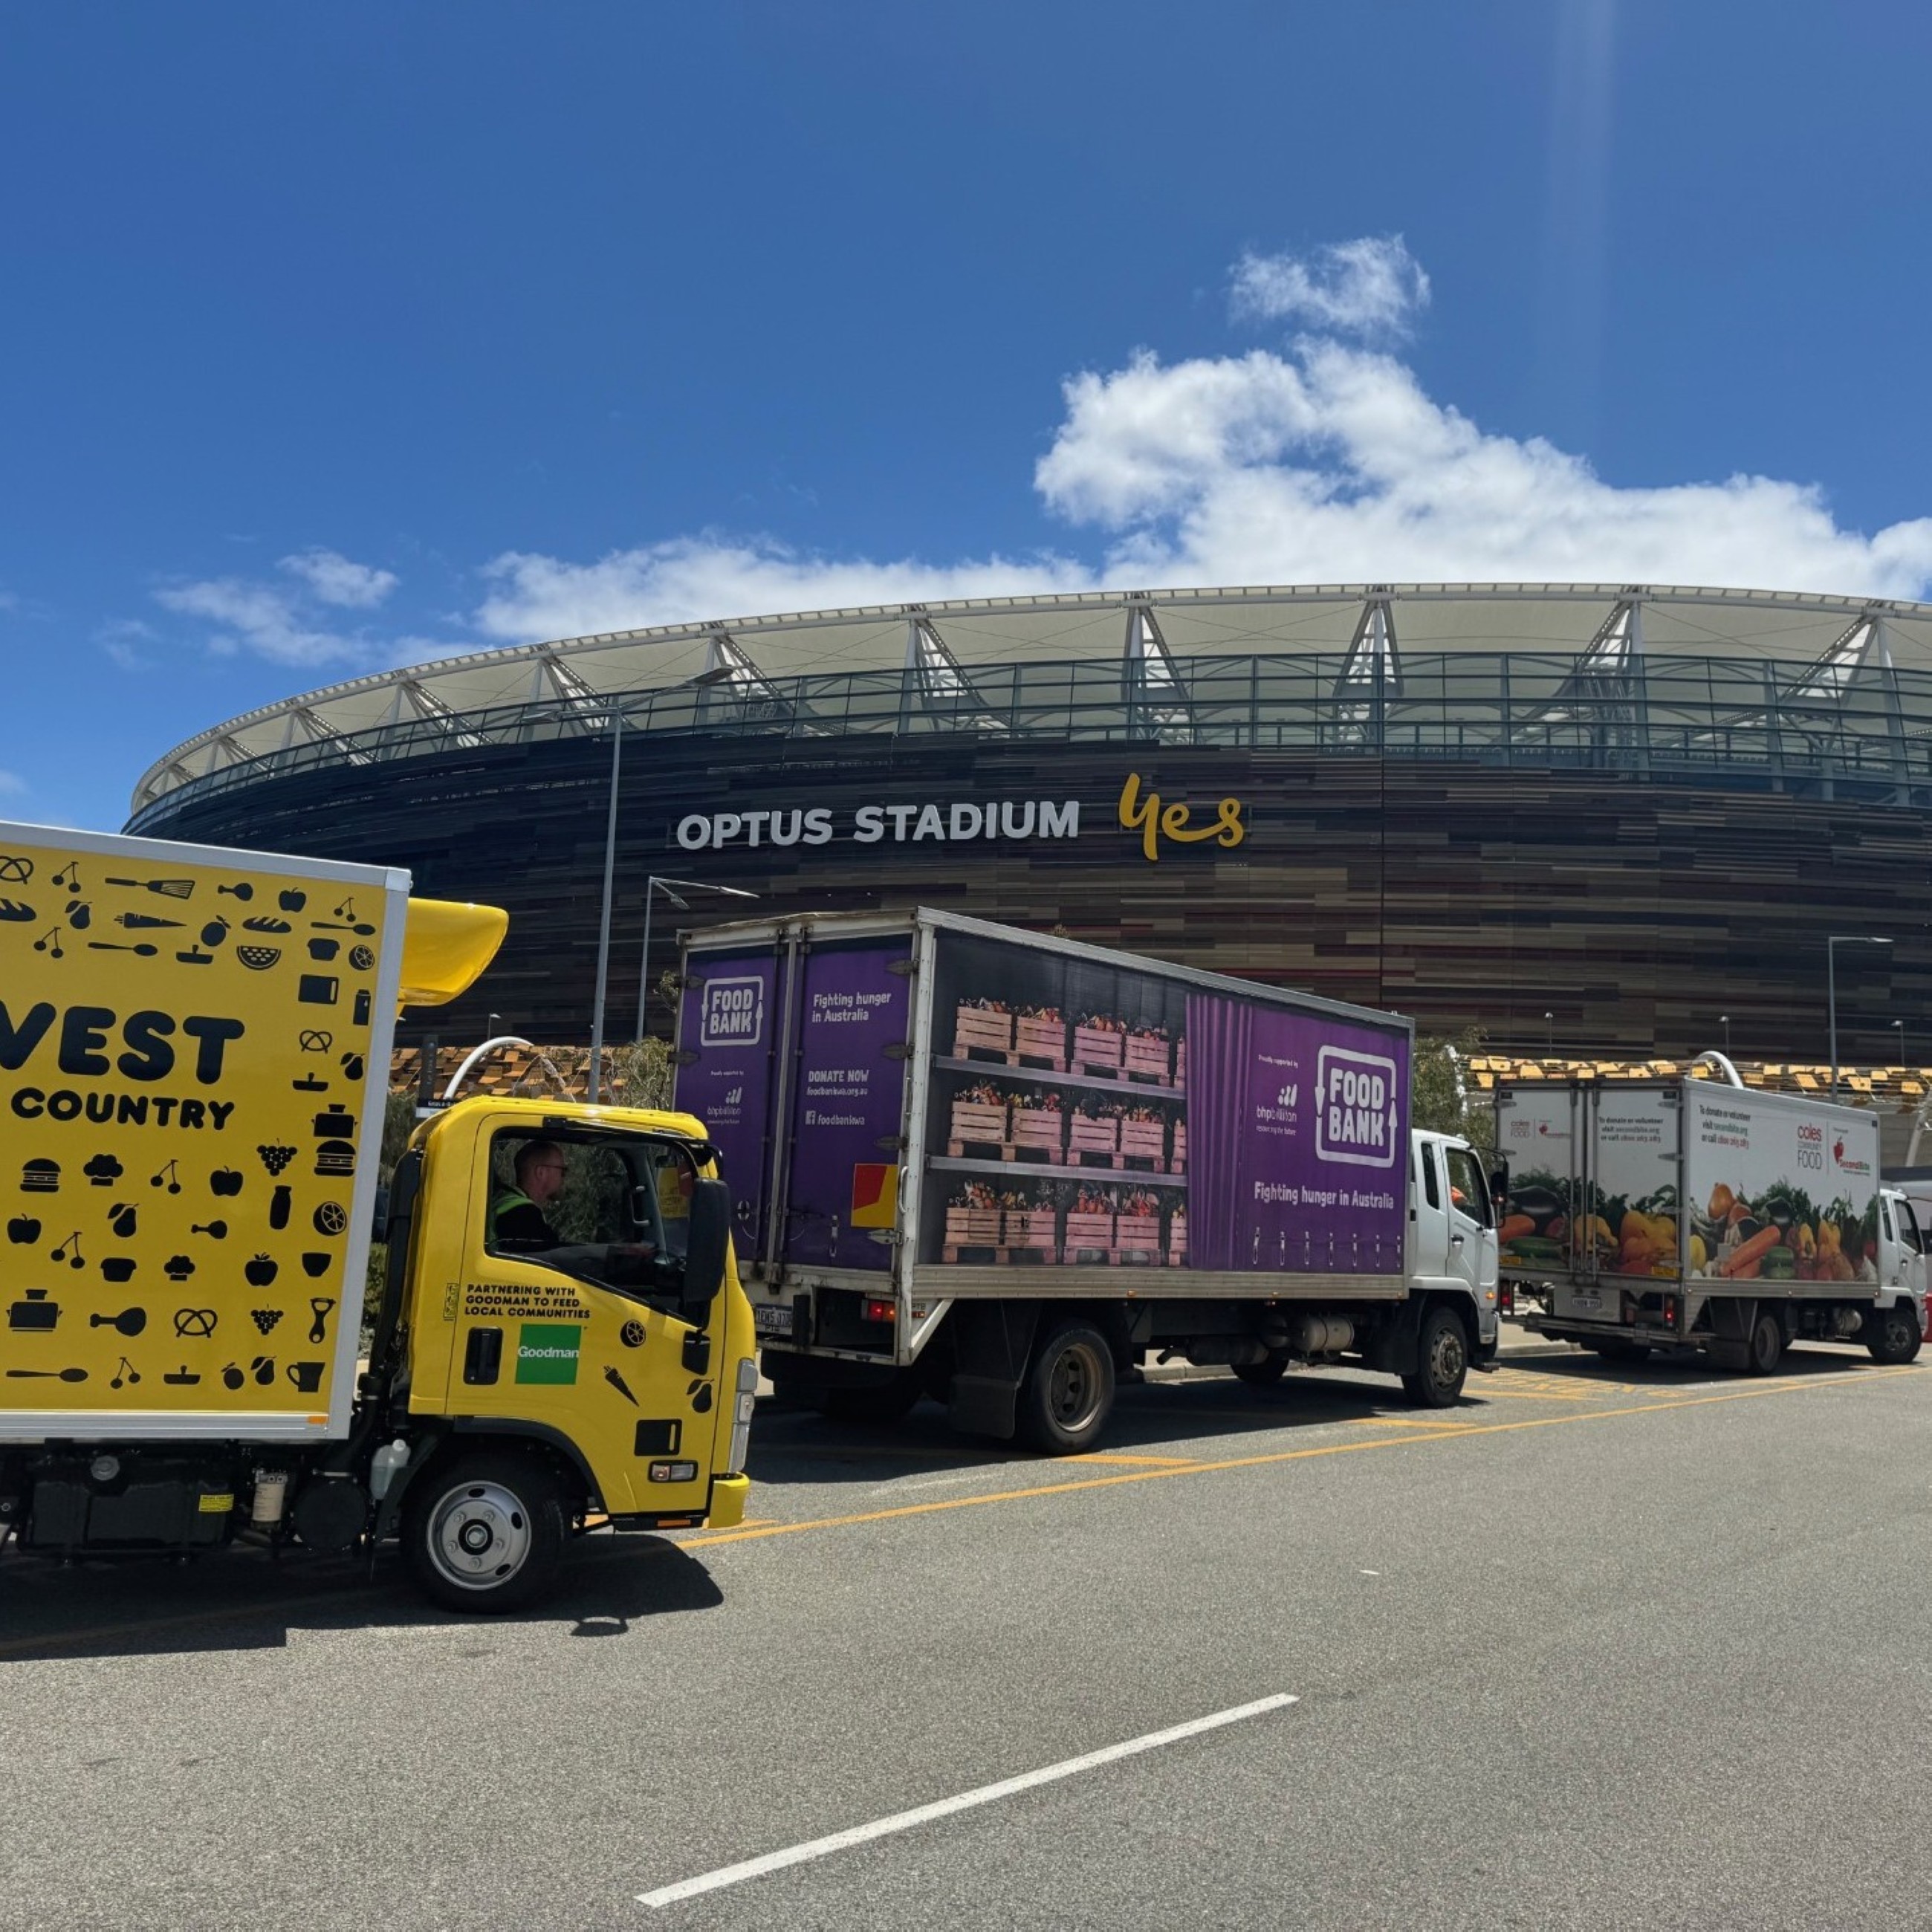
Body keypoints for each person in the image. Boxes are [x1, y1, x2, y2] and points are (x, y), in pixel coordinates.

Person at [492, 1140, 566, 1250]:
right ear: (541, 1173)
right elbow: (551, 1260)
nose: (563, 1178)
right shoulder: (523, 1215)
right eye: (562, 1171)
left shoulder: (506, 1201)